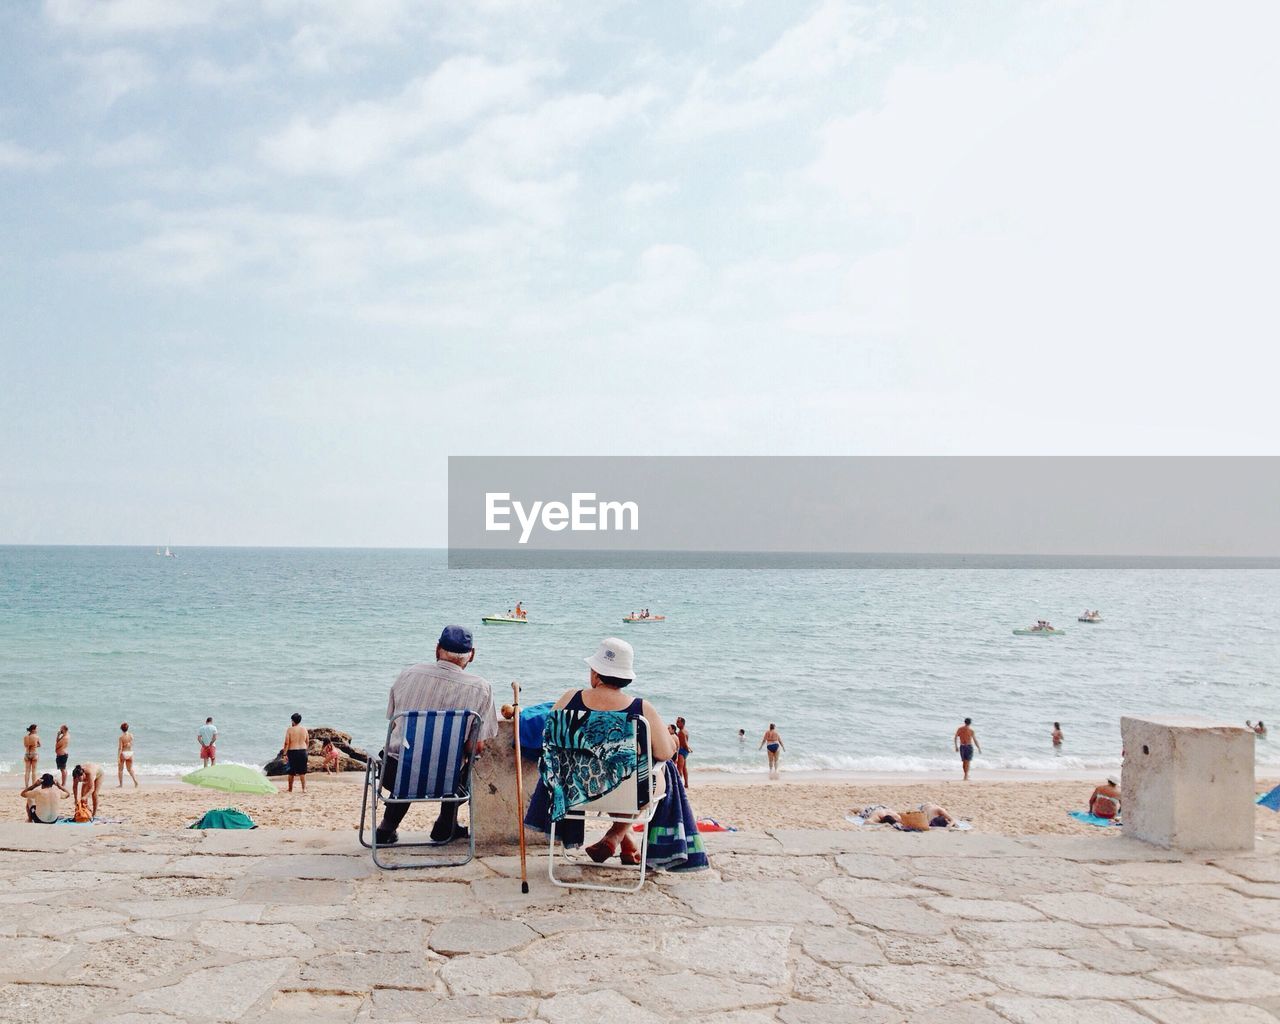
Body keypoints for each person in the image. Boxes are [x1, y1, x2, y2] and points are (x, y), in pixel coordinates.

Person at [524, 637, 707, 872]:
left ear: (595, 674)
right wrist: (672, 741)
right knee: (662, 769)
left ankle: (622, 838)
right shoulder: (641, 709)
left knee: (611, 769)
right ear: (625, 677)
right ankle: (617, 836)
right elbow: (664, 753)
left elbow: (548, 738)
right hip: (626, 793)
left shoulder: (569, 699)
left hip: (575, 791)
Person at [375, 625, 499, 846]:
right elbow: (475, 747)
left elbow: (394, 721)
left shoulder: (409, 674)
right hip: (447, 781)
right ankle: (445, 823)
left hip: (395, 774)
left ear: (437, 649)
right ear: (471, 655)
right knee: (461, 761)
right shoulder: (482, 688)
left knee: (410, 757)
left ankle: (386, 828)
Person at [283, 713, 309, 793]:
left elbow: (287, 743)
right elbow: (307, 741)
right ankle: (304, 789)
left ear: (293, 721)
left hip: (293, 752)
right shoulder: (304, 729)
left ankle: (290, 789)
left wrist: (284, 754)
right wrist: (305, 750)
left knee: (291, 772)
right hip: (303, 751)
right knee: (302, 772)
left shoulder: (290, 729)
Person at [118, 723, 138, 788]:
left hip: (123, 753)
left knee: (120, 770)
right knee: (130, 769)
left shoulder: (121, 737)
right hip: (130, 753)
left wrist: (118, 757)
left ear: (121, 729)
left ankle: (121, 785)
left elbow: (120, 748)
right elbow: (131, 744)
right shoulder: (131, 735)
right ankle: (135, 781)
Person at [675, 717, 691, 786]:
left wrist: (688, 748)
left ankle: (679, 784)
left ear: (682, 723)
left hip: (681, 751)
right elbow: (686, 742)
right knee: (684, 768)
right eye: (676, 722)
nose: (676, 723)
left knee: (679, 768)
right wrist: (688, 749)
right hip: (685, 751)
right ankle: (686, 783)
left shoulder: (681, 732)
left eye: (678, 722)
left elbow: (684, 742)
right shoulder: (685, 731)